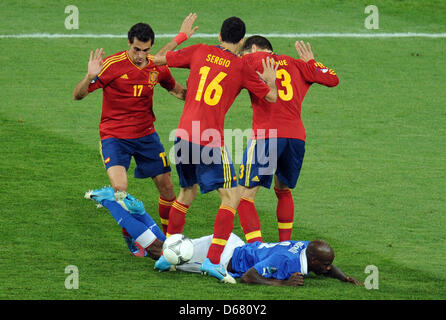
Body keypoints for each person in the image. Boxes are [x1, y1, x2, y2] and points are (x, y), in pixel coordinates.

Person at [151, 16, 279, 281]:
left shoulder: (199, 50)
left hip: (183, 134)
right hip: (209, 138)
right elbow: (271, 97)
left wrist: (181, 35)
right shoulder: (242, 67)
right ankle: (212, 262)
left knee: (187, 192)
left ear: (219, 35)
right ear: (242, 41)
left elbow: (158, 59)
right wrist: (270, 80)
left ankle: (167, 254)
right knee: (231, 197)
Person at [84, 188, 362, 286]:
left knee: (166, 248)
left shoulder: (306, 249)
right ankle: (110, 201)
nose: (327, 270)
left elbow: (325, 265)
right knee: (161, 251)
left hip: (232, 244)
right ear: (311, 260)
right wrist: (282, 285)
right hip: (225, 257)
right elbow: (250, 277)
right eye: (325, 266)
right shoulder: (286, 262)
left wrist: (344, 277)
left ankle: (141, 215)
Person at [73, 19, 196, 238]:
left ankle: (170, 242)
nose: (140, 55)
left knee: (168, 190)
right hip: (114, 136)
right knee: (121, 192)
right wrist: (89, 77)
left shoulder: (156, 67)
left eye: (145, 50)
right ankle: (130, 235)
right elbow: (78, 95)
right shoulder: (112, 65)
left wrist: (199, 92)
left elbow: (178, 92)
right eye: (136, 49)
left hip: (146, 136)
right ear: (129, 44)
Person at [236, 36, 339, 243]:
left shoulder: (250, 60)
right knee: (283, 190)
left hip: (267, 136)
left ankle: (256, 249)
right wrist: (312, 63)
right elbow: (332, 79)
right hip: (295, 138)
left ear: (254, 48)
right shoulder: (297, 64)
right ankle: (285, 245)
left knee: (244, 196)